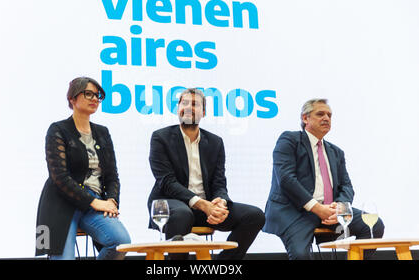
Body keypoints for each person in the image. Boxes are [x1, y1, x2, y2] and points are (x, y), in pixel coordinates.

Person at [147, 88, 265, 260]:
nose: (188, 107)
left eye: (194, 104)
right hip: (170, 204)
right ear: (177, 108)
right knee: (183, 214)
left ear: (203, 112)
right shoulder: (160, 137)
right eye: (184, 103)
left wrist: (220, 202)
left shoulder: (215, 142)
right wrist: (202, 204)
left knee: (255, 216)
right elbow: (167, 182)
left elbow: (219, 181)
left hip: (207, 209)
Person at [263, 98, 385, 259]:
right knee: (300, 255)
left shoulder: (336, 152)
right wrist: (316, 208)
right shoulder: (289, 140)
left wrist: (340, 209)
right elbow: (286, 179)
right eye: (320, 114)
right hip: (296, 211)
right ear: (305, 118)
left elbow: (347, 186)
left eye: (329, 115)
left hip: (330, 211)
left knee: (375, 225)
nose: (326, 118)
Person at [35, 77, 131, 259]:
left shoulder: (103, 132)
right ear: (72, 98)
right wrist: (94, 202)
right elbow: (59, 177)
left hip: (94, 204)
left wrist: (111, 201)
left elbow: (112, 176)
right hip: (62, 201)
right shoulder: (57, 130)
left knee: (121, 242)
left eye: (97, 95)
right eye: (88, 94)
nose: (94, 98)